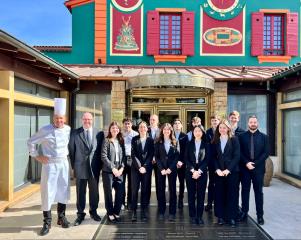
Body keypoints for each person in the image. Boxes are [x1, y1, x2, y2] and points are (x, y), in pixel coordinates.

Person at [27, 98, 71, 236]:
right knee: (47, 192)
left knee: (63, 190)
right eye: (57, 118)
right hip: (50, 165)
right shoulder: (45, 130)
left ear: (64, 119)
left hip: (63, 163)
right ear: (53, 118)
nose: (59, 121)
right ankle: (47, 222)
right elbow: (31, 142)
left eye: (61, 119)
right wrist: (37, 156)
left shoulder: (68, 129)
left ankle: (61, 217)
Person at [68, 112, 103, 226]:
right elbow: (72, 152)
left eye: (89, 119)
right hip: (80, 167)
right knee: (80, 192)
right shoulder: (74, 133)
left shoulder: (99, 133)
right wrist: (74, 167)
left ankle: (93, 212)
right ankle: (80, 214)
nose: (87, 121)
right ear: (81, 120)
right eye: (85, 119)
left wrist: (101, 167)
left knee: (94, 192)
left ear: (92, 120)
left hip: (94, 168)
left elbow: (100, 151)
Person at [238, 115, 269, 225]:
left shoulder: (264, 137)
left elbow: (266, 153)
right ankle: (244, 212)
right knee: (245, 191)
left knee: (258, 193)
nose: (253, 124)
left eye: (255, 122)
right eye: (251, 122)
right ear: (248, 123)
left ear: (258, 123)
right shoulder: (241, 137)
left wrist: (254, 164)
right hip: (245, 169)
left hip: (258, 170)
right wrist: (246, 162)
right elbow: (239, 152)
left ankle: (260, 215)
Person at [212, 119, 240, 227]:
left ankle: (232, 217)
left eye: (224, 127)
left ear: (228, 128)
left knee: (232, 195)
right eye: (220, 128)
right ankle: (220, 217)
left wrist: (228, 169)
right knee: (219, 195)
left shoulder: (234, 139)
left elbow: (237, 156)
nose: (222, 129)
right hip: (219, 172)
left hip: (232, 172)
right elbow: (213, 157)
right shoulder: (215, 140)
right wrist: (217, 169)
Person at [101, 121, 126, 223]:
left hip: (119, 171)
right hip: (108, 171)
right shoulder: (106, 141)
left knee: (120, 193)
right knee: (108, 194)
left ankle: (116, 212)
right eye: (113, 128)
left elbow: (124, 157)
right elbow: (103, 156)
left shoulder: (121, 141)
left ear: (119, 130)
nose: (115, 130)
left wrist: (121, 168)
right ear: (110, 130)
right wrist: (113, 168)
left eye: (116, 128)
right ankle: (110, 213)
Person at [131, 121, 154, 222]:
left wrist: (144, 166)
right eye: (140, 127)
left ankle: (144, 211)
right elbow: (133, 154)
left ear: (147, 128)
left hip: (147, 169)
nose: (142, 129)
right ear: (138, 129)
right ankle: (134, 211)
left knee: (145, 190)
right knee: (134, 190)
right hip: (135, 169)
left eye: (144, 127)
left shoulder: (150, 140)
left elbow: (151, 154)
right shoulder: (134, 139)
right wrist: (139, 166)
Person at [155, 123, 179, 222]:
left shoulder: (175, 141)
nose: (166, 131)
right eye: (164, 129)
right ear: (162, 130)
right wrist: (161, 169)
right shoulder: (157, 142)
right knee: (161, 190)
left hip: (171, 169)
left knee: (172, 190)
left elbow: (177, 156)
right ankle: (161, 211)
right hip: (161, 169)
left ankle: (172, 212)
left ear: (171, 131)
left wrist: (170, 168)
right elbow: (156, 157)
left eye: (168, 129)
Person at [185, 125, 208, 225]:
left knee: (201, 195)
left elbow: (208, 159)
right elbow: (186, 158)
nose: (197, 132)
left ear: (202, 133)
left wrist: (199, 171)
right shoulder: (188, 144)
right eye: (195, 131)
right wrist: (193, 170)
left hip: (202, 172)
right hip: (190, 172)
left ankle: (199, 216)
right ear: (193, 133)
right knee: (191, 194)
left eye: (199, 131)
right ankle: (192, 216)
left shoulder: (206, 144)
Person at [205, 114, 221, 212]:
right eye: (213, 121)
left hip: (221, 163)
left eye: (216, 120)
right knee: (211, 183)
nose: (215, 122)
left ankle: (219, 203)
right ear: (210, 122)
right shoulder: (207, 132)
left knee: (219, 183)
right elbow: (207, 148)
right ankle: (210, 203)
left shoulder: (222, 131)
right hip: (211, 162)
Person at [122, 117, 138, 210]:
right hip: (122, 160)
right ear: (123, 124)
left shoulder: (136, 134)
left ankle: (130, 202)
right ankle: (122, 202)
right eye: (125, 123)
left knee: (132, 183)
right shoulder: (120, 134)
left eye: (128, 123)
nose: (127, 125)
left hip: (132, 160)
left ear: (131, 124)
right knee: (122, 183)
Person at [173, 118, 187, 209]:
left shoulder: (185, 136)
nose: (177, 125)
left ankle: (180, 199)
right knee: (172, 182)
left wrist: (181, 161)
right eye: (175, 123)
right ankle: (173, 199)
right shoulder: (170, 135)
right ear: (173, 126)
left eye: (179, 123)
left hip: (182, 163)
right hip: (172, 164)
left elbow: (186, 151)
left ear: (181, 126)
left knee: (182, 182)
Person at [147, 114, 160, 206]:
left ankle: (160, 200)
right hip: (147, 160)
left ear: (157, 121)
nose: (152, 121)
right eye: (151, 120)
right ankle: (146, 201)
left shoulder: (162, 131)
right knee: (147, 182)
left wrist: (155, 157)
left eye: (154, 120)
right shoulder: (145, 130)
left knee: (159, 182)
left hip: (158, 160)